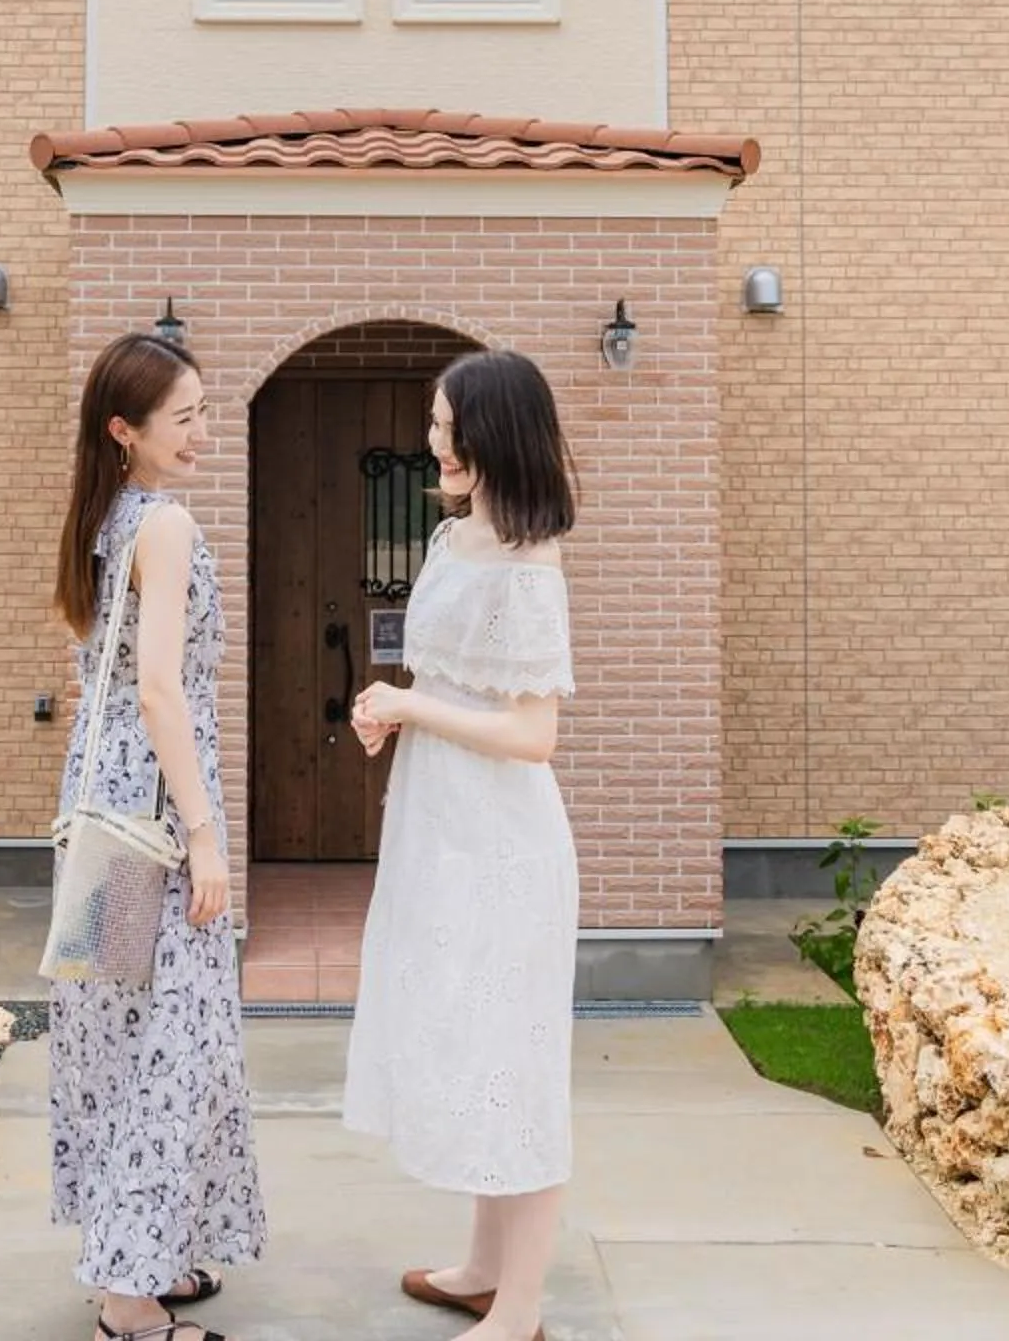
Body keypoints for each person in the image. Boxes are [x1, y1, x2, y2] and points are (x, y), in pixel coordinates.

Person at [345, 349, 580, 1341]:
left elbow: (533, 734)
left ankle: (519, 1305)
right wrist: (392, 708)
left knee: (513, 1060)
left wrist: (416, 706)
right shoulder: (450, 542)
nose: (434, 438)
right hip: (439, 833)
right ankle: (484, 1265)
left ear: (493, 434)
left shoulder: (532, 565)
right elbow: (448, 684)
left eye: (447, 423)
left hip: (503, 845)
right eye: (434, 422)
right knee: (470, 1046)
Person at [46, 331, 266, 1341]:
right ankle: (129, 1301)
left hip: (108, 814)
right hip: (159, 818)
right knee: (172, 1039)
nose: (203, 432)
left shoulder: (108, 519)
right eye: (184, 416)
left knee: (123, 1034)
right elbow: (159, 687)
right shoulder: (164, 524)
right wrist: (208, 836)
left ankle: (146, 1253)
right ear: (124, 430)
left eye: (204, 410)